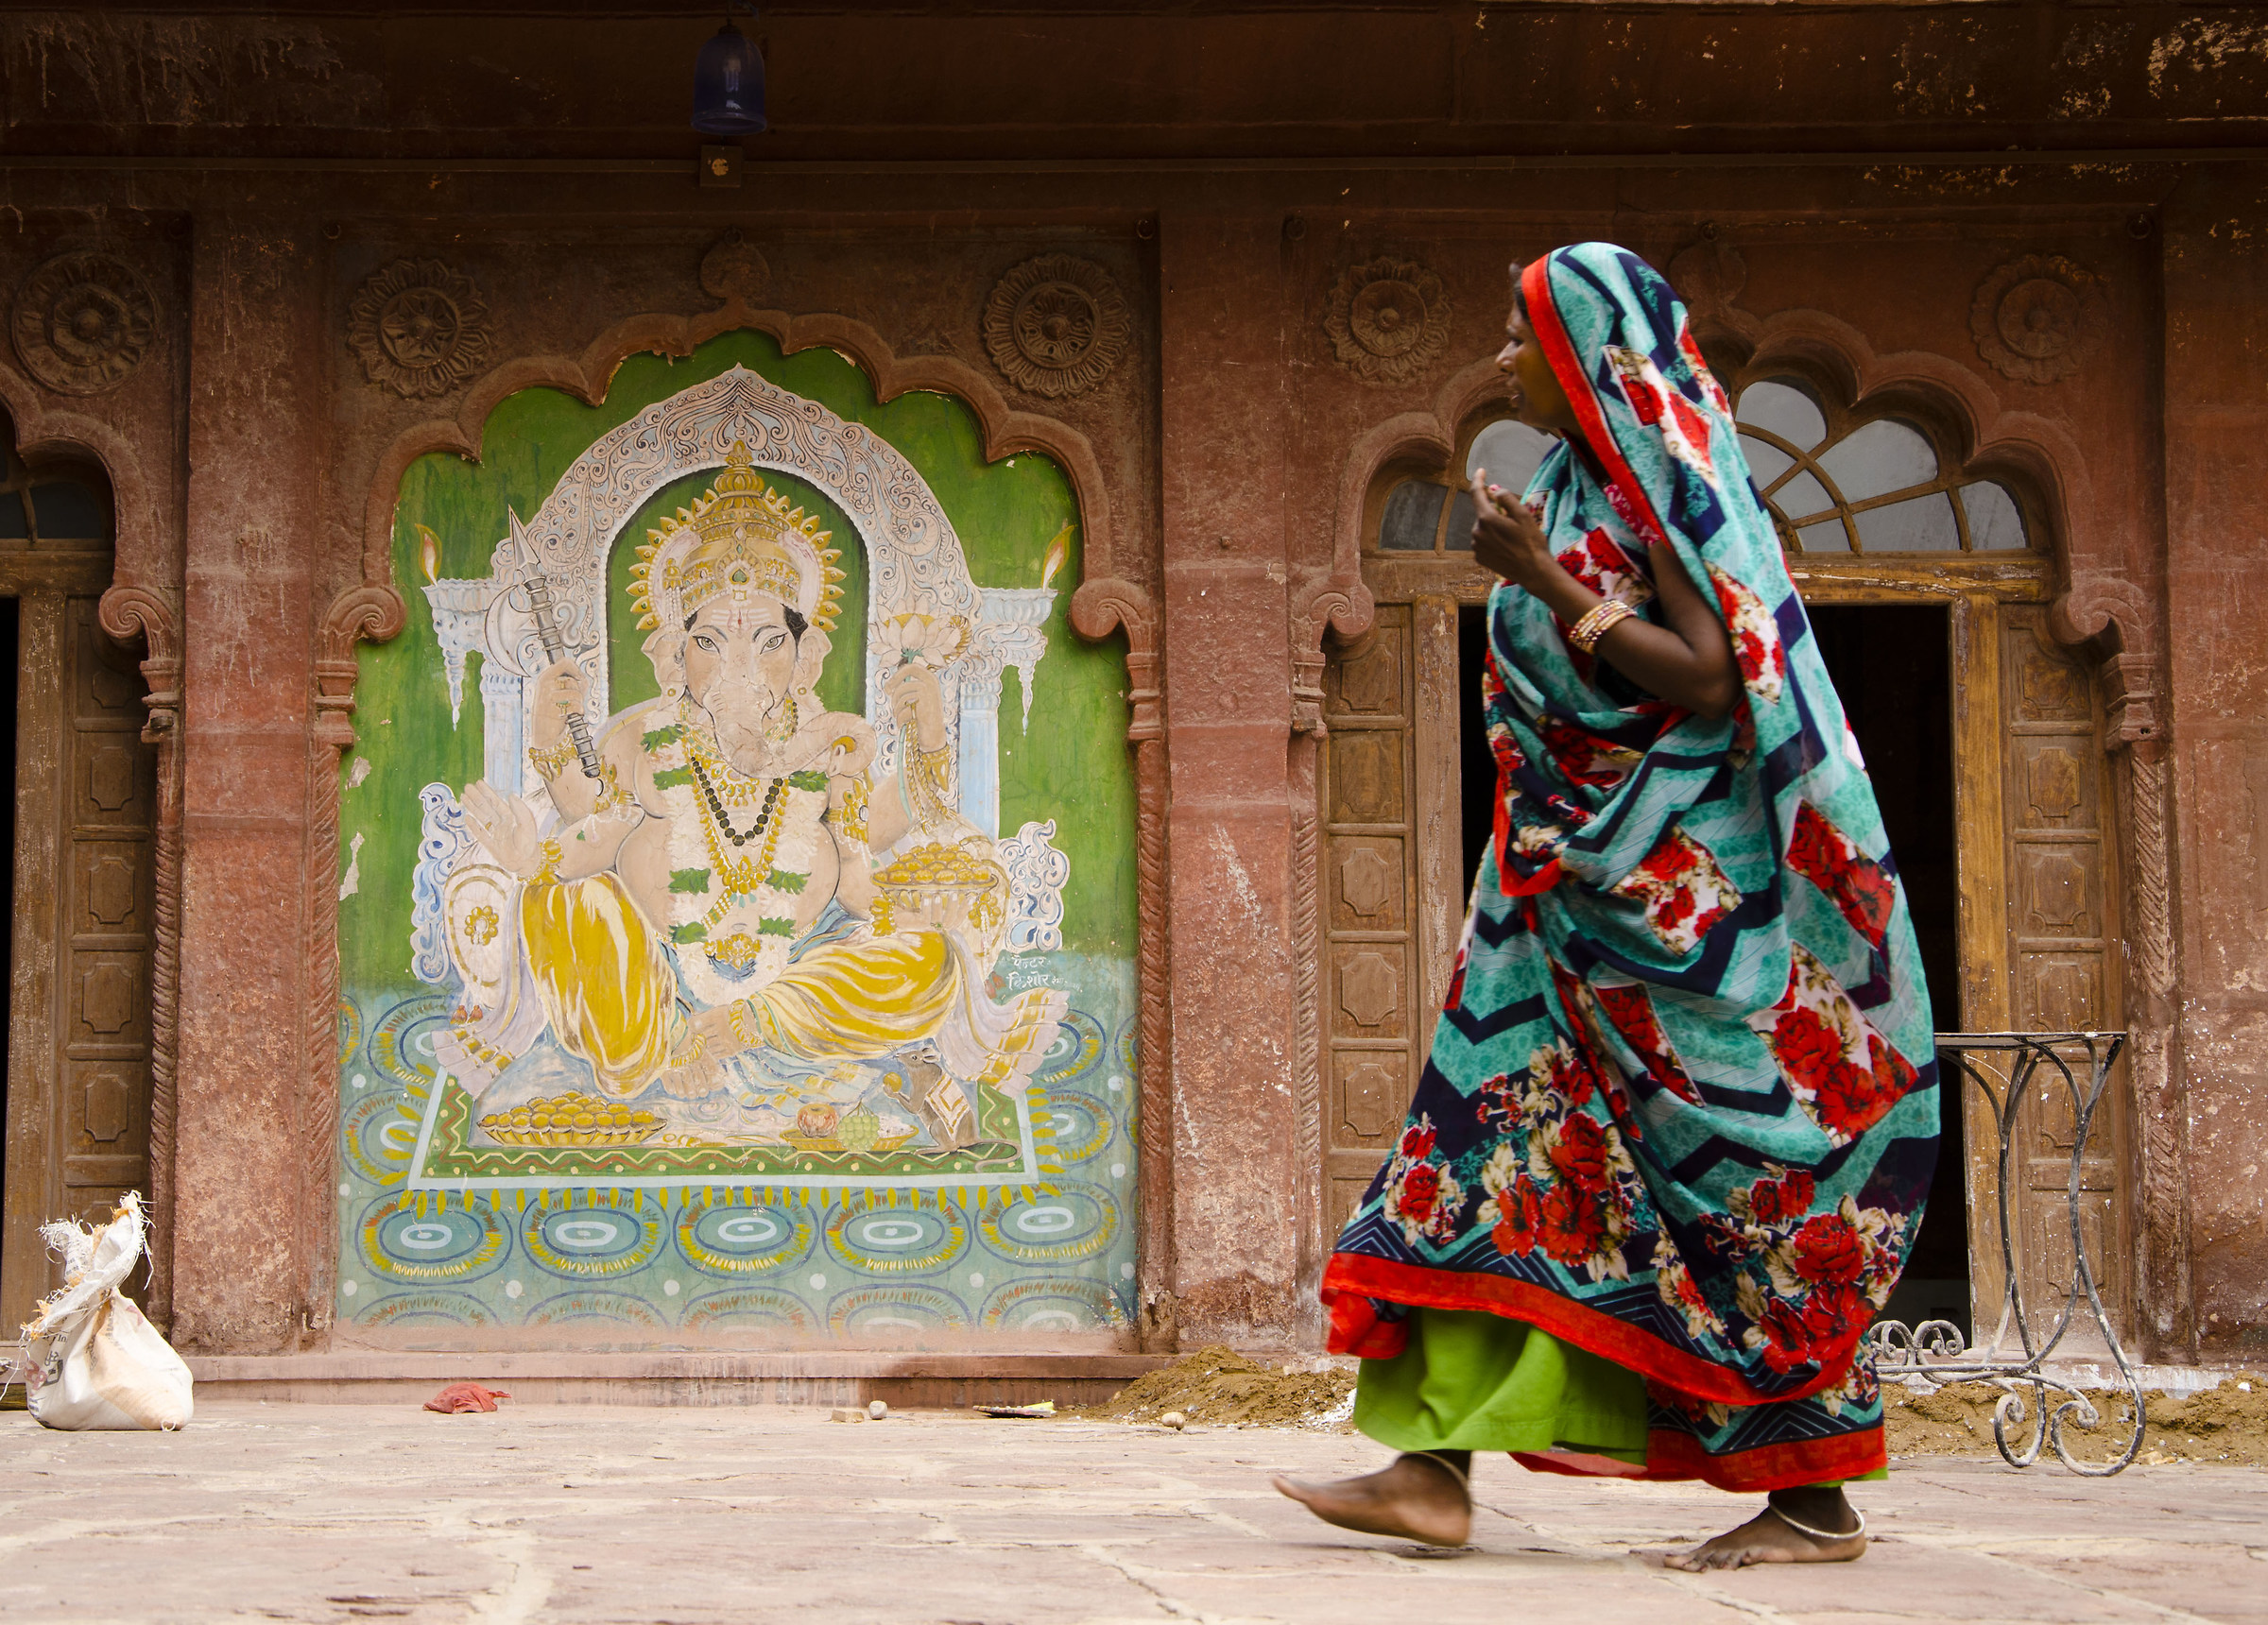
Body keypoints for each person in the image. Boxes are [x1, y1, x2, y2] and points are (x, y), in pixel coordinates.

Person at [1276, 244, 1937, 1570]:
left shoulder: (1673, 489)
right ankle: (1430, 1469)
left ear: (1586, 349)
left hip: (1677, 922)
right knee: (1480, 1148)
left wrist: (1542, 578)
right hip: (1550, 899)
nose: (1505, 359)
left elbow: (1705, 678)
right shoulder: (1570, 481)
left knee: (1727, 1191)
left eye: (1521, 336)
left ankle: (1814, 1496)